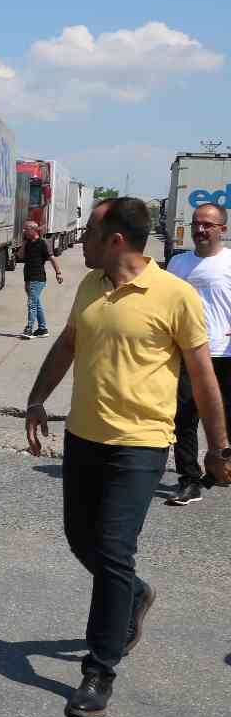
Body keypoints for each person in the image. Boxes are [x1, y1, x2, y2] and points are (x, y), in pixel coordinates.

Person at [24, 197, 230, 717]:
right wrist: (36, 399)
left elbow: (203, 377)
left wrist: (218, 446)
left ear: (115, 239)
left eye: (89, 232)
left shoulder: (175, 296)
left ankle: (99, 669)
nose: (80, 241)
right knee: (81, 538)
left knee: (114, 549)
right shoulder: (92, 286)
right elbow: (68, 344)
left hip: (141, 444)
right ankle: (133, 595)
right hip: (84, 438)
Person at [166, 202, 231, 506]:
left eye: (208, 224)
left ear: (223, 229)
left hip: (224, 354)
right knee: (184, 420)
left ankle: (222, 469)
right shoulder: (177, 265)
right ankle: (189, 480)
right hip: (188, 355)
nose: (200, 229)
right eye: (196, 224)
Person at [20, 220, 64, 338]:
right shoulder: (28, 243)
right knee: (36, 303)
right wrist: (24, 243)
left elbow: (52, 258)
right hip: (28, 277)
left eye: (26, 229)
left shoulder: (43, 243)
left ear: (33, 230)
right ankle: (42, 329)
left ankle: (29, 329)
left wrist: (58, 273)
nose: (24, 231)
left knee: (32, 304)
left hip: (38, 278)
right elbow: (20, 256)